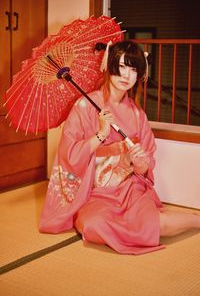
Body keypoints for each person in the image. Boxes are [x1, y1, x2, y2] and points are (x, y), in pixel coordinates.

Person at [39, 40, 200, 254]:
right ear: (108, 66)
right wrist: (101, 134)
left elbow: (145, 166)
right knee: (93, 225)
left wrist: (140, 162)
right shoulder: (85, 106)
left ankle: (195, 220)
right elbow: (68, 155)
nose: (126, 75)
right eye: (122, 67)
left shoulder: (137, 114)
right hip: (95, 193)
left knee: (153, 225)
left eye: (133, 69)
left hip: (129, 188)